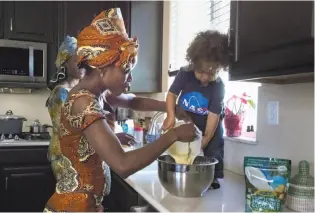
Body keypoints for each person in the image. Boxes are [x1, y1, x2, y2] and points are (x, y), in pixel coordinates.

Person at [43, 8, 196, 212]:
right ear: (102, 67)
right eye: (126, 70)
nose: (130, 78)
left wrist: (171, 108)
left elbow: (133, 102)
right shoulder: (83, 102)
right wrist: (174, 135)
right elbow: (122, 164)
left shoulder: (94, 93)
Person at [162, 30, 229, 189]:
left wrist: (205, 139)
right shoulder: (184, 74)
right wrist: (170, 116)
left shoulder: (218, 86)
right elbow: (171, 94)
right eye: (200, 72)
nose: (205, 77)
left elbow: (214, 116)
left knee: (212, 149)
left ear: (219, 68)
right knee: (183, 150)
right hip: (188, 121)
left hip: (209, 126)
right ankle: (184, 171)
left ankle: (211, 178)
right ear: (193, 65)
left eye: (211, 73)